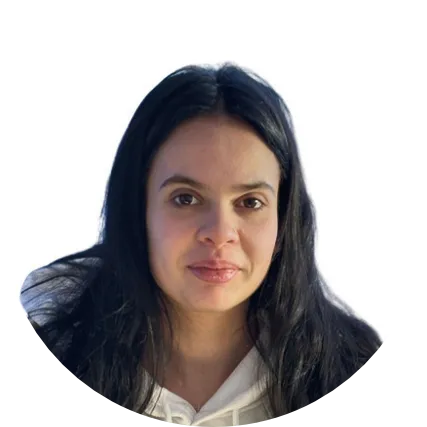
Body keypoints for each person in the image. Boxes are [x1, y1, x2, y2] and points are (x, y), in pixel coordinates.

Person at [19, 62, 384, 426]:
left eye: (250, 202)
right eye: (186, 199)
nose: (220, 232)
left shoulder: (355, 373)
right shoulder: (46, 347)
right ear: (137, 208)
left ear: (284, 218)